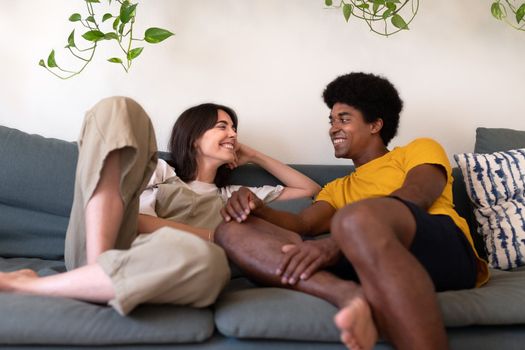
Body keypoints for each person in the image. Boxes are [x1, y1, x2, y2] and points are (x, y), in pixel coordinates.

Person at [214, 73, 489, 350]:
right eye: (331, 121)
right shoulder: (336, 189)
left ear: (375, 125)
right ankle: (349, 296)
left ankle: (352, 238)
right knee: (230, 231)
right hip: (365, 258)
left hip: (442, 249)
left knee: (356, 218)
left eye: (344, 119)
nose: (333, 128)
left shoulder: (418, 149)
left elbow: (417, 195)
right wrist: (258, 207)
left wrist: (336, 243)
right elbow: (301, 224)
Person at [0, 96, 321, 315]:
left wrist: (255, 156)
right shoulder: (160, 171)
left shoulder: (233, 196)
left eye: (234, 129)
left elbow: (310, 190)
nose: (233, 133)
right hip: (106, 244)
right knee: (122, 109)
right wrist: (214, 236)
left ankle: (49, 286)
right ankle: (96, 270)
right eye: (222, 126)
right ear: (194, 136)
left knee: (209, 264)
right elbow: (137, 221)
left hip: (161, 268)